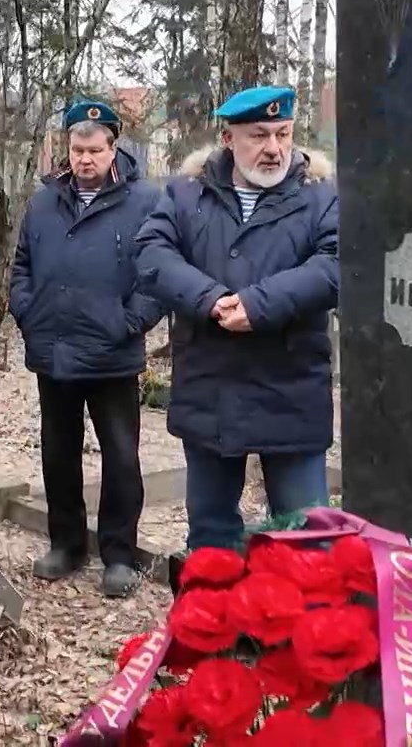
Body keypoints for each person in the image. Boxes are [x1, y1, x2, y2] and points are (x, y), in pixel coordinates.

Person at [135, 86, 338, 552]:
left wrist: (259, 305)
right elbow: (150, 254)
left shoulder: (320, 197)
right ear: (228, 138)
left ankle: (299, 628)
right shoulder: (187, 194)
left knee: (309, 544)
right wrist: (210, 298)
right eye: (259, 135)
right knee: (210, 542)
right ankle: (214, 626)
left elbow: (335, 265)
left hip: (290, 393)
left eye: (283, 134)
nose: (274, 149)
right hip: (211, 390)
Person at [10, 100, 163, 597]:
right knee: (58, 452)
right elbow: (21, 268)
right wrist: (28, 313)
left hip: (112, 353)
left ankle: (119, 554)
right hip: (53, 348)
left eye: (95, 150)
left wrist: (130, 321)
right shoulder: (43, 202)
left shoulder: (143, 201)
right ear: (66, 149)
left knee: (120, 456)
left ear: (112, 148)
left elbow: (158, 273)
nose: (85, 159)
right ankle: (67, 543)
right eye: (77, 149)